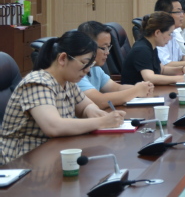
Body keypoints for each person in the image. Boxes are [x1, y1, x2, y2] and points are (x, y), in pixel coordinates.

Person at [0, 31, 125, 164]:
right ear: (63, 59)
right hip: (22, 161)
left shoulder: (67, 81)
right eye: (84, 63)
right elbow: (54, 127)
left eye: (90, 65)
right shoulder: (37, 83)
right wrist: (102, 122)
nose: (88, 70)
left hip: (52, 153)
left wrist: (95, 112)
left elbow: (86, 106)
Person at [76, 21, 154, 108]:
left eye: (108, 47)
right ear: (88, 46)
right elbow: (99, 101)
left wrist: (144, 88)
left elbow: (116, 88)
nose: (107, 52)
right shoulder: (75, 71)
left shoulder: (95, 67)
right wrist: (136, 91)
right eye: (104, 48)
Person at [121, 12, 185, 85]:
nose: (170, 38)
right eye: (169, 34)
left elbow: (162, 69)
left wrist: (182, 69)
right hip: (136, 95)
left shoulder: (151, 46)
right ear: (157, 33)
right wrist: (179, 78)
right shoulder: (141, 49)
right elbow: (149, 78)